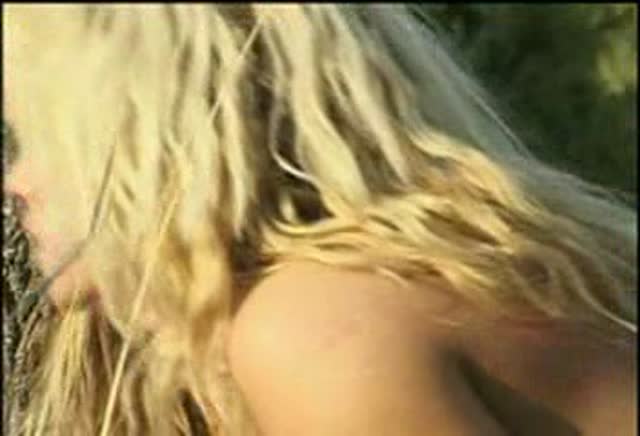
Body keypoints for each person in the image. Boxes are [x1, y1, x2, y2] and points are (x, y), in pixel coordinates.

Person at [3, 4, 637, 436]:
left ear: (152, 136)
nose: (16, 182)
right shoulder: (376, 287)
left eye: (42, 136)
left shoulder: (315, 330)